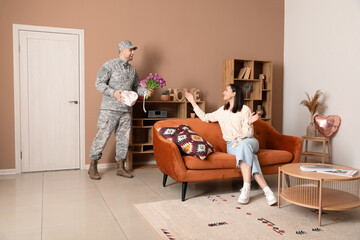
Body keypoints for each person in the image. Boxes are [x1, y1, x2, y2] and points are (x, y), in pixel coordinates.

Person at [184, 84, 277, 206]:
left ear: (234, 93)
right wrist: (192, 102)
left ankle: (246, 188)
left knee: (244, 146)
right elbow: (205, 117)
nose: (223, 92)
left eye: (226, 90)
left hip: (250, 141)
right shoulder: (221, 111)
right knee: (251, 157)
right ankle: (267, 191)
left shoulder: (245, 110)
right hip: (232, 146)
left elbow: (249, 134)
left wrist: (249, 123)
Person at [88, 40, 153, 180]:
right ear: (122, 50)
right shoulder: (109, 65)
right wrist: (113, 93)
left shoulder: (132, 70)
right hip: (109, 109)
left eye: (133, 50)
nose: (133, 53)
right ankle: (93, 165)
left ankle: (120, 167)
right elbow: (99, 83)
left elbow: (136, 87)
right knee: (102, 136)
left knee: (124, 139)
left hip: (126, 110)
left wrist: (145, 92)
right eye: (131, 50)